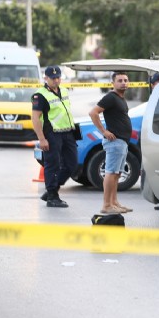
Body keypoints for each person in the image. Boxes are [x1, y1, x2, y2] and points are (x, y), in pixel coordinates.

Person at [31, 65, 78, 208]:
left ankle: (52, 189)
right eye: (53, 78)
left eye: (58, 77)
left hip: (68, 132)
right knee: (52, 165)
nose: (56, 80)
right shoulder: (39, 95)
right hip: (52, 134)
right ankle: (52, 196)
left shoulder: (63, 90)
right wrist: (42, 139)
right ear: (46, 78)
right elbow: (35, 118)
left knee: (72, 164)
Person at [88, 71, 133, 214]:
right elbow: (93, 113)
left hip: (122, 142)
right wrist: (104, 132)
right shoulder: (110, 97)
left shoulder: (121, 98)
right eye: (120, 80)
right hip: (115, 142)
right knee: (110, 173)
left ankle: (114, 203)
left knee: (117, 174)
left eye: (125, 80)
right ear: (113, 83)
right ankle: (106, 205)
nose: (123, 83)